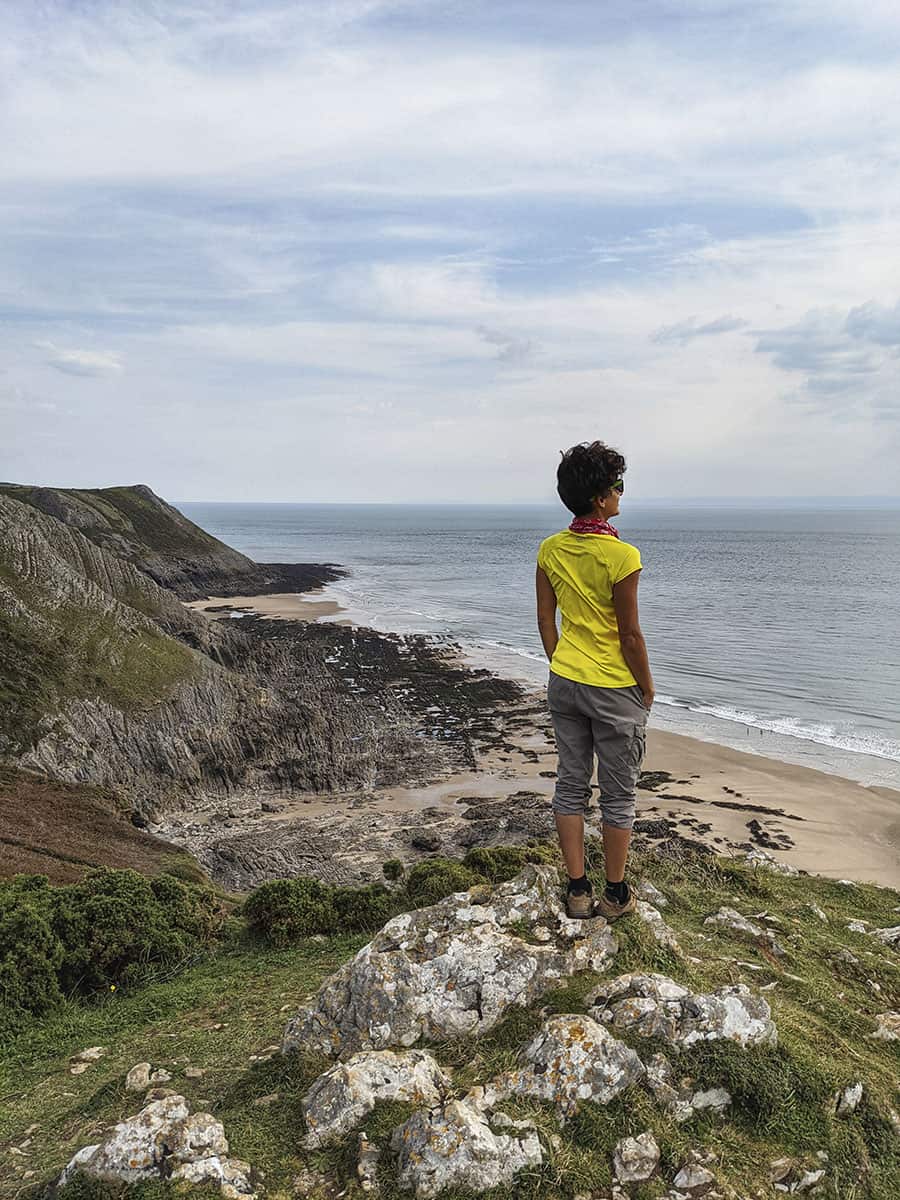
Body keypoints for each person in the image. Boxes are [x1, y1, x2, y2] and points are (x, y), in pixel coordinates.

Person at [535, 441, 654, 920]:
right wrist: (646, 687)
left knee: (570, 785)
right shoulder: (622, 556)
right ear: (602, 499)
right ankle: (616, 895)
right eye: (618, 486)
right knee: (619, 795)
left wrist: (563, 662)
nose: (622, 494)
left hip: (565, 680)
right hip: (613, 688)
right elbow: (630, 634)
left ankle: (578, 890)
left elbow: (547, 621)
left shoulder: (550, 549)